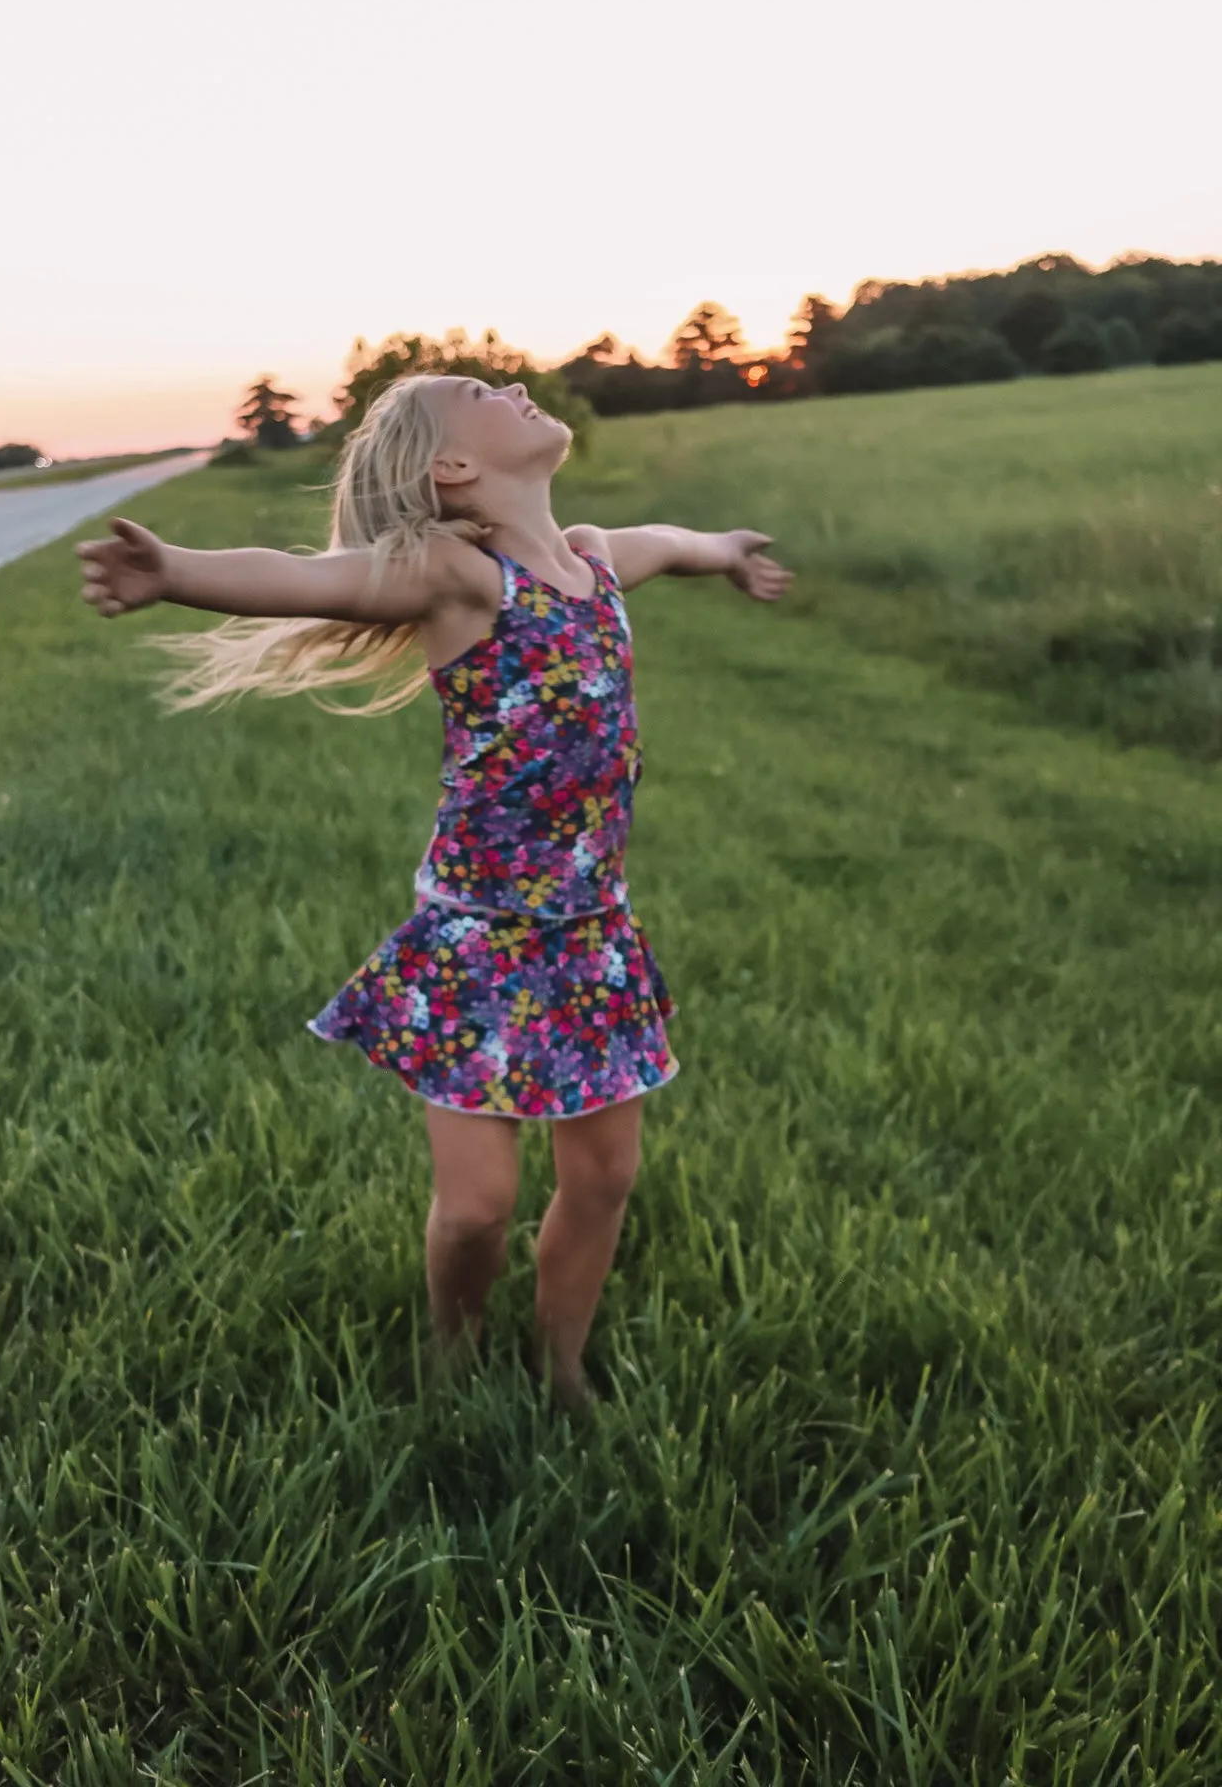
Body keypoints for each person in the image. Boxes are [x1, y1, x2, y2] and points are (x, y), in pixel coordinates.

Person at [76, 373, 793, 1410]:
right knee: (475, 1209)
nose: (509, 381)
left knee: (601, 1181)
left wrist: (724, 550)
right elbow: (311, 577)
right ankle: (451, 1355)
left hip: (590, 938)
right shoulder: (460, 577)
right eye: (477, 390)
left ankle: (560, 1366)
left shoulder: (590, 559)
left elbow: (669, 543)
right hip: (474, 939)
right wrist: (173, 570)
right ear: (453, 467)